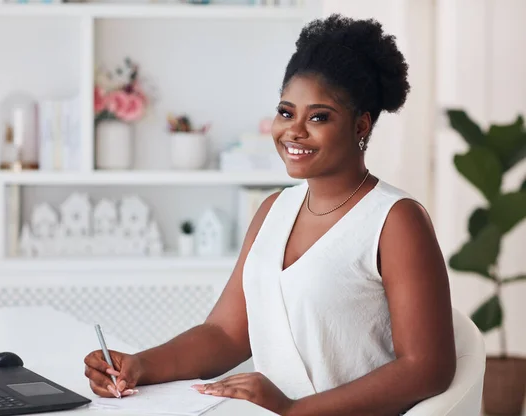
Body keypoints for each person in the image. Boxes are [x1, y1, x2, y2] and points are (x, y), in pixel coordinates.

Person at [84, 14, 456, 416]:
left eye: (318, 117)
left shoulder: (395, 221)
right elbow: (225, 333)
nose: (293, 131)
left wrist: (296, 409)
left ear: (360, 125)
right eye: (285, 112)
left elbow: (427, 368)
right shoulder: (273, 210)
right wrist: (141, 365)